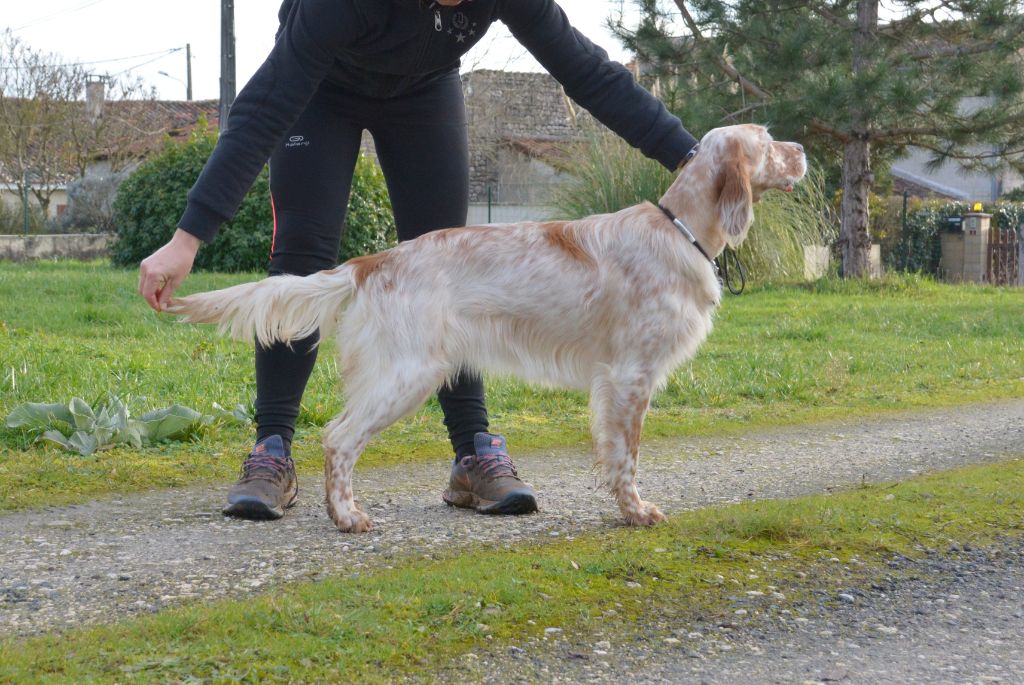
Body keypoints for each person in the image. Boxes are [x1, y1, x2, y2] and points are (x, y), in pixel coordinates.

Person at [138, 0, 700, 522]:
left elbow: (588, 71)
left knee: (454, 267)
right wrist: (188, 237)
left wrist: (694, 158)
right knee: (303, 252)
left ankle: (473, 451)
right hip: (323, 85)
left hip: (424, 88)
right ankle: (272, 449)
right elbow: (263, 107)